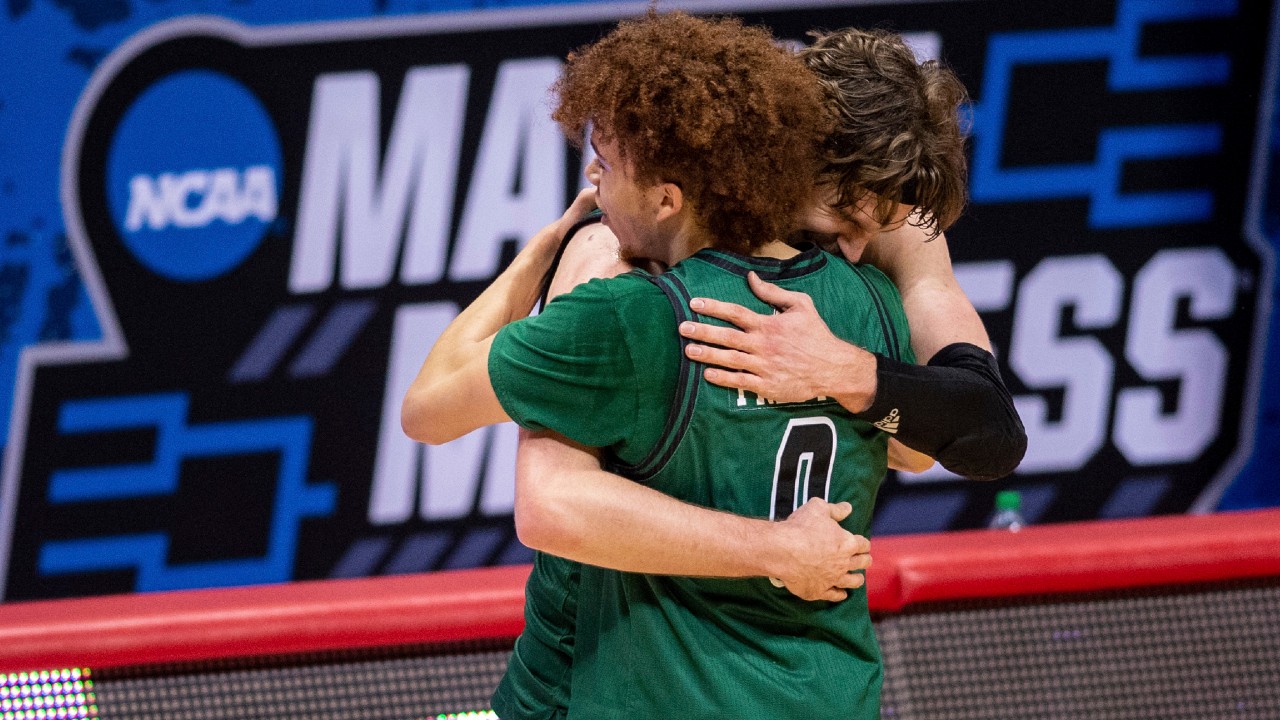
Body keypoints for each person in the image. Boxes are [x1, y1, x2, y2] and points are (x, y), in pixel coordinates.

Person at [404, 11, 921, 718]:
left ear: (667, 198)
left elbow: (429, 410)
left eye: (607, 164)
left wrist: (545, 254)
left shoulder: (626, 312)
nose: (593, 176)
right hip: (828, 695)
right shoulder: (871, 300)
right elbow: (918, 448)